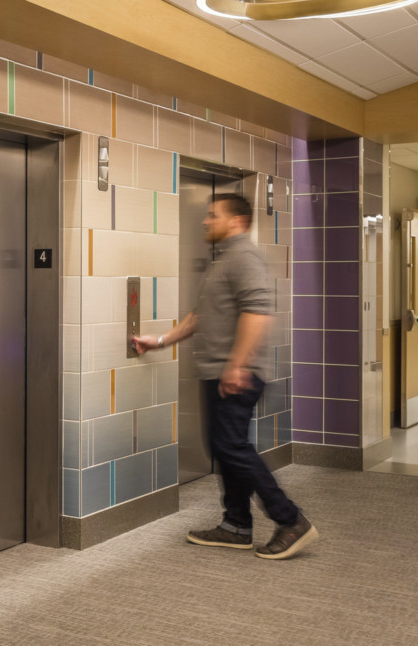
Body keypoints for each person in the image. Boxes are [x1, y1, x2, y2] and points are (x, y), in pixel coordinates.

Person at [132, 193, 318, 560]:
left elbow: (257, 313)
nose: (205, 221)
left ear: (237, 222)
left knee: (232, 446)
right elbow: (201, 315)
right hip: (218, 371)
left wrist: (238, 364)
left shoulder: (244, 258)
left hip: (233, 372)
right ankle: (236, 525)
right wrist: (161, 340)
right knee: (222, 447)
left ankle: (290, 520)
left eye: (212, 215)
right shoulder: (224, 261)